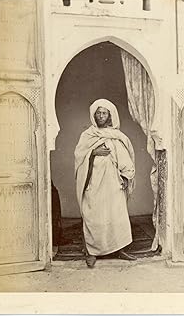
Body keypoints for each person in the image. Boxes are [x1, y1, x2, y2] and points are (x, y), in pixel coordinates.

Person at [74, 99, 137, 268]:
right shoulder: (87, 135)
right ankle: (92, 252)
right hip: (94, 183)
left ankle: (120, 249)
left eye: (104, 113)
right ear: (94, 115)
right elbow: (79, 156)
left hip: (113, 183)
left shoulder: (115, 136)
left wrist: (125, 177)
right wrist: (93, 153)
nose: (101, 116)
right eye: (98, 113)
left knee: (116, 216)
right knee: (94, 216)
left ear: (110, 116)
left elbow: (125, 159)